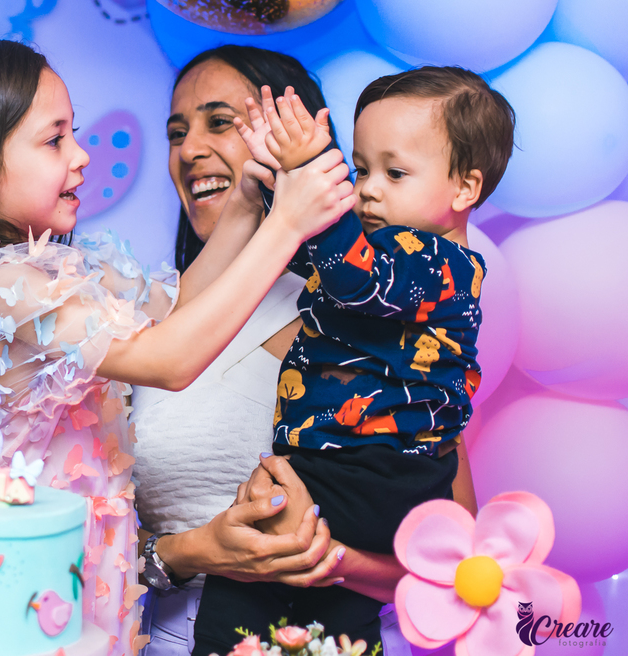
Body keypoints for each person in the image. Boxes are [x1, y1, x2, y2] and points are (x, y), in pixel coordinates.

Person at [0, 38, 354, 655]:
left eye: (75, 133)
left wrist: (250, 205)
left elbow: (175, 305)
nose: (83, 156)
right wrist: (288, 227)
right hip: (30, 606)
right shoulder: (5, 290)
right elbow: (168, 360)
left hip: (93, 585)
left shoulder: (52, 269)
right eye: (53, 140)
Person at [132, 46, 480, 656]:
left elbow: (453, 560)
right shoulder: (146, 319)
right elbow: (92, 541)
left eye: (223, 122)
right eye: (176, 132)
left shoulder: (372, 317)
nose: (190, 150)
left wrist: (331, 559)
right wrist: (188, 552)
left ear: (307, 143)